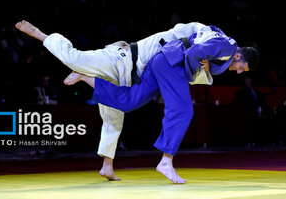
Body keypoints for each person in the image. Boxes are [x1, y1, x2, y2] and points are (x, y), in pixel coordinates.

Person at [15, 20, 219, 181]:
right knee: (74, 58)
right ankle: (41, 35)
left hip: (126, 78)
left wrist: (206, 67)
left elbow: (191, 76)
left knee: (113, 116)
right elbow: (198, 29)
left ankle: (107, 166)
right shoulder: (180, 35)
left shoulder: (184, 60)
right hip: (118, 58)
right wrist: (207, 37)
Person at [63, 33, 259, 183]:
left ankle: (84, 77)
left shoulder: (224, 45)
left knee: (129, 102)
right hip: (172, 63)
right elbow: (193, 53)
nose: (239, 72)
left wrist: (207, 67)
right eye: (242, 67)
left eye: (243, 71)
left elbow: (201, 51)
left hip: (161, 60)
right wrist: (193, 74)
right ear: (239, 55)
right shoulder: (227, 47)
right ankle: (166, 161)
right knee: (183, 110)